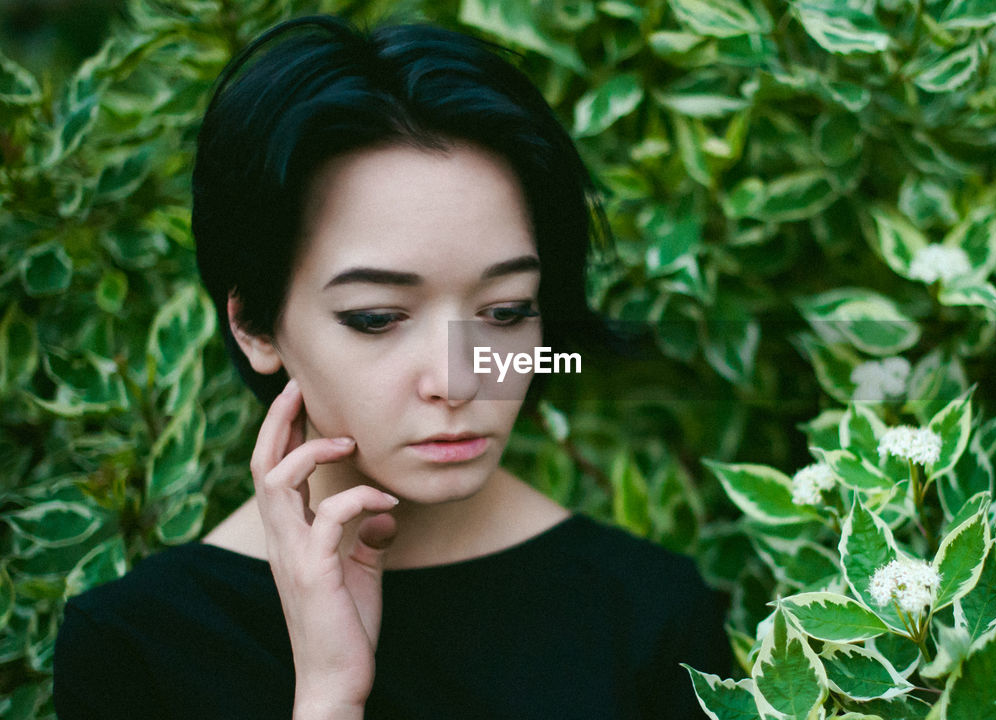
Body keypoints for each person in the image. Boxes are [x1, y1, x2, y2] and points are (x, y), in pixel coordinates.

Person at [52, 14, 735, 719]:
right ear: (255, 325)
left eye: (504, 312)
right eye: (377, 318)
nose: (459, 377)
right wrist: (328, 697)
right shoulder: (137, 647)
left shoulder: (647, 612)